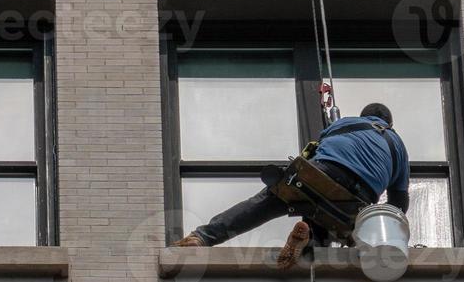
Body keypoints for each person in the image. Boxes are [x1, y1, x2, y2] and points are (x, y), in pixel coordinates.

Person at [175, 103, 410, 268]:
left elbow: (320, 146)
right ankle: (307, 245)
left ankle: (203, 237)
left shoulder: (347, 123)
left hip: (323, 173)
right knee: (328, 221)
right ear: (390, 123)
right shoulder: (397, 145)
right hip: (358, 200)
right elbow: (399, 202)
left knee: (268, 202)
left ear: (363, 115)